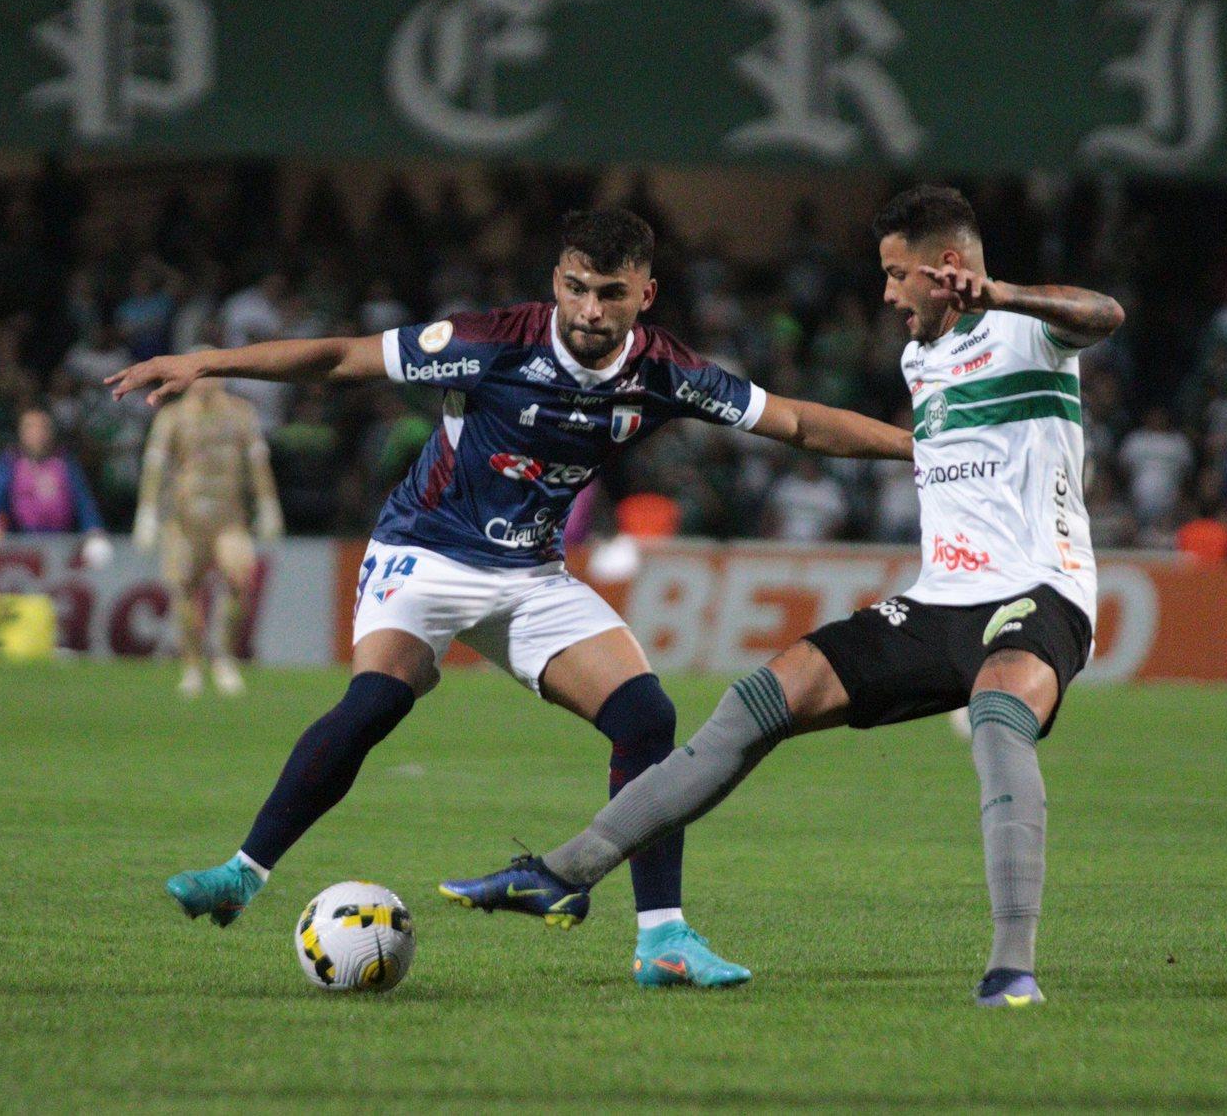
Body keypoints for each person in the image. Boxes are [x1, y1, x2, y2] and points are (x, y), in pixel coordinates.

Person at [106, 207, 913, 987]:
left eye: (610, 293)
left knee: (647, 716)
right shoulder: (487, 343)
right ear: (555, 281)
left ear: (646, 295)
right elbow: (341, 359)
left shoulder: (664, 371)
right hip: (424, 550)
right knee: (378, 700)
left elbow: (799, 424)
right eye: (575, 287)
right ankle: (242, 872)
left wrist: (918, 448)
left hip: (530, 577)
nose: (589, 309)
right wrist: (208, 362)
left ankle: (662, 939)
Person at [442, 185, 1124, 1008]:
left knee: (996, 714)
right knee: (757, 700)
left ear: (947, 270)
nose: (884, 293)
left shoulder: (1030, 331)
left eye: (895, 273)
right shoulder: (919, 359)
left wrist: (1005, 292)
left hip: (1038, 591)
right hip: (940, 599)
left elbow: (1105, 313)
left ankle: (1013, 967)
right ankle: (562, 872)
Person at [133, 372, 284, 697]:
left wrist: (269, 505)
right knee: (184, 589)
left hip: (228, 518)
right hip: (183, 520)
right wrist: (146, 513)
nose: (205, 384)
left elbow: (257, 463)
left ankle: (224, 656)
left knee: (239, 582)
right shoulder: (172, 416)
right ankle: (191, 664)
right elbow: (155, 466)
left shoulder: (241, 413)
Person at [0, 409, 111, 567]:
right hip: (21, 545)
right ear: (21, 433)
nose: (37, 433)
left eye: (42, 428)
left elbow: (83, 502)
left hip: (61, 546)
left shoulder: (64, 461)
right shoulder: (10, 462)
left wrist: (94, 530)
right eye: (30, 428)